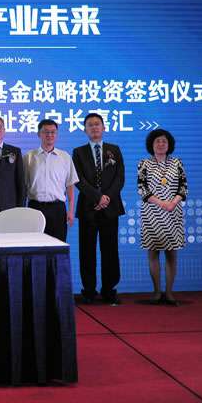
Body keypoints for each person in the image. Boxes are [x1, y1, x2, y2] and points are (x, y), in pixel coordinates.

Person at [72, 113, 125, 305]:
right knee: (87, 251)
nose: (94, 127)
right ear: (85, 130)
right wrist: (97, 197)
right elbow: (78, 179)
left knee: (110, 250)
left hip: (110, 208)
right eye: (90, 125)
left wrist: (106, 197)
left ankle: (109, 290)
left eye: (97, 124)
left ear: (103, 127)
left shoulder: (114, 150)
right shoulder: (78, 152)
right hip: (88, 207)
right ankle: (89, 291)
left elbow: (119, 178)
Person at [137, 129, 188, 306]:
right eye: (157, 141)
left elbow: (183, 187)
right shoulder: (144, 163)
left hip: (173, 212)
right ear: (151, 145)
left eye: (164, 141)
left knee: (172, 254)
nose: (161, 144)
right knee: (153, 253)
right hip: (152, 213)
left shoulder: (177, 163)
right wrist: (161, 203)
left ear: (169, 144)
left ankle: (169, 292)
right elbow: (142, 189)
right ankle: (157, 292)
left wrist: (172, 203)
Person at [23, 119, 78, 242]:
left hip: (57, 209)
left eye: (53, 132)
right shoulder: (29, 157)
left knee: (58, 245)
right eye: (46, 132)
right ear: (39, 134)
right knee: (35, 245)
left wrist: (70, 211)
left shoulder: (65, 157)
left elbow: (70, 185)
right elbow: (24, 186)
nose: (49, 135)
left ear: (56, 134)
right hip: (35, 208)